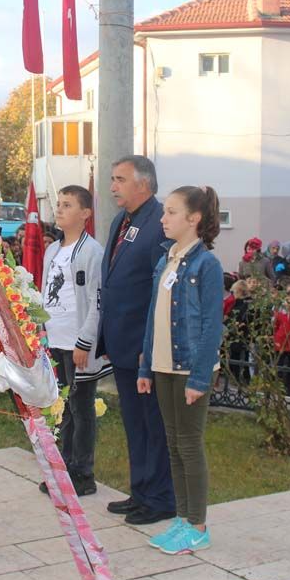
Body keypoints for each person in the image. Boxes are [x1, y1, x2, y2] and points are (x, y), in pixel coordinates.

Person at [138, 185, 223, 555]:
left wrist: (200, 378)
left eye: (171, 212)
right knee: (173, 444)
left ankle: (198, 525)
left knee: (189, 444)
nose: (163, 218)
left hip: (189, 368)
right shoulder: (166, 260)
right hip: (163, 366)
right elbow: (152, 319)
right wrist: (145, 365)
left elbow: (211, 326)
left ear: (194, 218)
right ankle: (182, 518)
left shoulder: (207, 265)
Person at [98, 155, 175, 526]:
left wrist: (151, 343)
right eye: (112, 179)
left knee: (152, 424)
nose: (112, 186)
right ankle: (141, 491)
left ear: (143, 184)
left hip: (145, 345)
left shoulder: (159, 223)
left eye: (119, 179)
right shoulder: (122, 220)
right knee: (134, 422)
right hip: (122, 342)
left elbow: (159, 290)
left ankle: (161, 498)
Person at [39, 185, 107, 497]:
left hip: (78, 343)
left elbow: (96, 301)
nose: (60, 209)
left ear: (85, 214)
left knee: (81, 407)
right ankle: (63, 468)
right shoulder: (53, 250)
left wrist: (85, 342)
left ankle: (83, 472)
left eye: (67, 205)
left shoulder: (93, 252)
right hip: (55, 339)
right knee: (63, 406)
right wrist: (40, 328)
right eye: (59, 204)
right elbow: (45, 293)